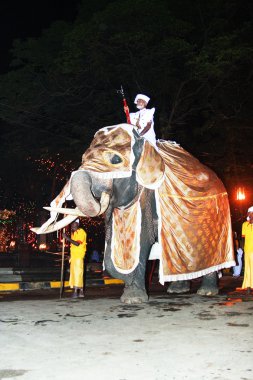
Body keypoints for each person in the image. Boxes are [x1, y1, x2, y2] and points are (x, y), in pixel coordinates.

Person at [63, 219, 87, 298]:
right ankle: (81, 292)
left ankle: (76, 292)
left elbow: (77, 243)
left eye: (74, 224)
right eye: (71, 224)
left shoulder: (81, 232)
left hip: (79, 256)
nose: (72, 226)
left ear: (77, 224)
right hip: (74, 257)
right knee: (74, 274)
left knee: (78, 273)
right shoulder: (73, 234)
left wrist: (67, 238)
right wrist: (70, 255)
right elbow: (72, 246)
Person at [241, 206, 253, 293]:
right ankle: (248, 286)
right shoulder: (244, 224)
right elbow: (243, 238)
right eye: (250, 213)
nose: (251, 214)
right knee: (248, 268)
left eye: (252, 213)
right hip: (247, 250)